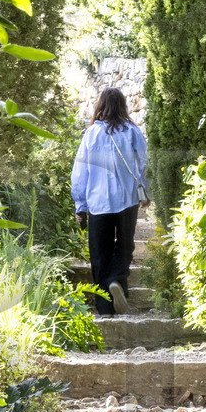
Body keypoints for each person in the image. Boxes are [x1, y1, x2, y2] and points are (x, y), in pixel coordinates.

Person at [71, 87, 148, 315]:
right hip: (126, 200)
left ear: (100, 105)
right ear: (123, 106)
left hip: (97, 203)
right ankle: (117, 281)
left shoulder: (91, 134)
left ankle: (105, 308)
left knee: (99, 253)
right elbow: (143, 163)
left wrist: (80, 205)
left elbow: (79, 172)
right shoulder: (132, 131)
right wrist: (146, 190)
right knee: (125, 246)